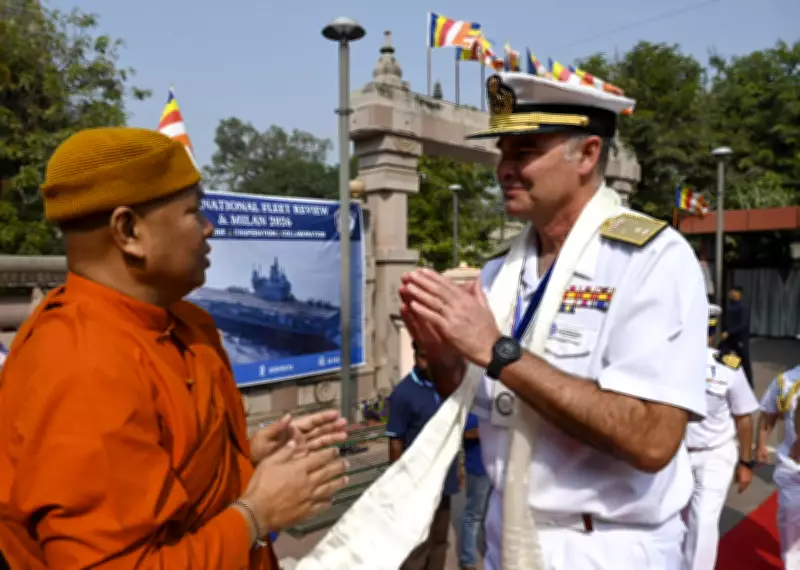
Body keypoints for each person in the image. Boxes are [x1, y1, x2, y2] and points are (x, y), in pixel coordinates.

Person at [0, 127, 350, 569]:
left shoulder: (189, 324)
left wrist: (245, 455)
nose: (209, 227)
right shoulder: (82, 366)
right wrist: (257, 515)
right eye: (194, 211)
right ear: (129, 231)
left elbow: (172, 470)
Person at [399, 72, 708, 569]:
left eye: (524, 153)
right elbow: (476, 395)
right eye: (503, 153)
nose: (504, 169)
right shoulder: (502, 269)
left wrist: (499, 351)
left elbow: (652, 440)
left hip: (605, 546)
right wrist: (440, 351)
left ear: (586, 155)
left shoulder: (651, 259)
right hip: (509, 535)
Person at [681, 303, 759, 570]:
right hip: (675, 455)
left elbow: (743, 417)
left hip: (715, 454)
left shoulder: (728, 367)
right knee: (673, 520)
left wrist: (745, 463)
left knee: (702, 523)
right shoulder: (668, 363)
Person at [386, 342, 459, 570]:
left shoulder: (447, 386)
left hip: (444, 481)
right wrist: (400, 481)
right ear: (415, 354)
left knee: (439, 540)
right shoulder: (403, 393)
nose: (428, 364)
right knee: (417, 544)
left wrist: (460, 467)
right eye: (423, 357)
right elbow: (395, 442)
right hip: (417, 484)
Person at [755, 363, 800, 567]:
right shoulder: (785, 381)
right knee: (789, 518)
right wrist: (761, 445)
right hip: (793, 467)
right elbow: (768, 416)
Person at [459, 412, 491, 570]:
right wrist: (488, 430)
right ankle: (468, 560)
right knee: (473, 515)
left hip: (496, 471)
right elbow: (464, 433)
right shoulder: (469, 410)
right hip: (478, 471)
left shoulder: (498, 408)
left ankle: (491, 554)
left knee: (492, 515)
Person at [721, 286, 753, 386]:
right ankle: (723, 380)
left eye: (733, 292)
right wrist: (725, 330)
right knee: (721, 355)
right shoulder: (730, 306)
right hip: (729, 338)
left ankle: (749, 384)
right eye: (730, 291)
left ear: (739, 293)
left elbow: (743, 324)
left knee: (744, 361)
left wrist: (729, 332)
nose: (730, 293)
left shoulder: (743, 307)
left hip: (740, 339)